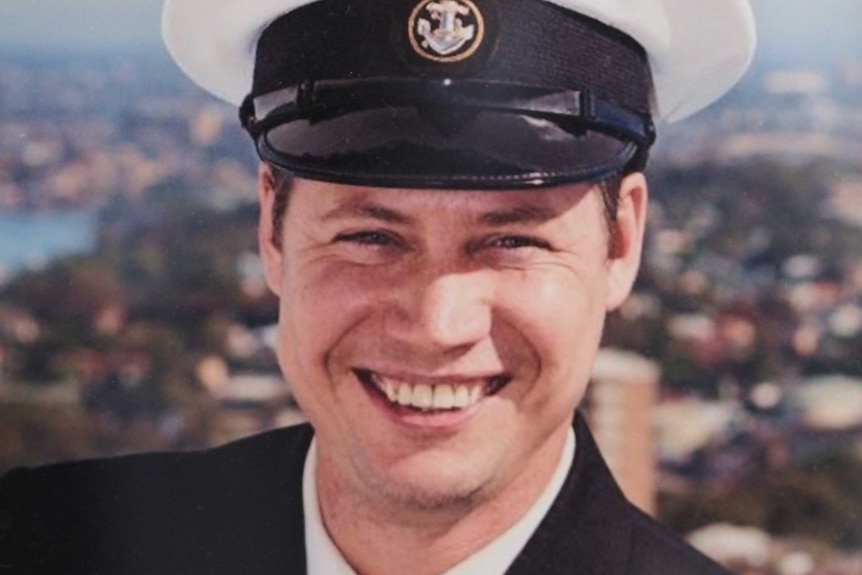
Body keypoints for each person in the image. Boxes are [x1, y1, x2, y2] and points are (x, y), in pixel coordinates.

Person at [0, 0, 756, 573]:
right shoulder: (48, 541)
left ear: (621, 242)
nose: (436, 322)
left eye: (513, 240)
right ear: (272, 230)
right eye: (370, 237)